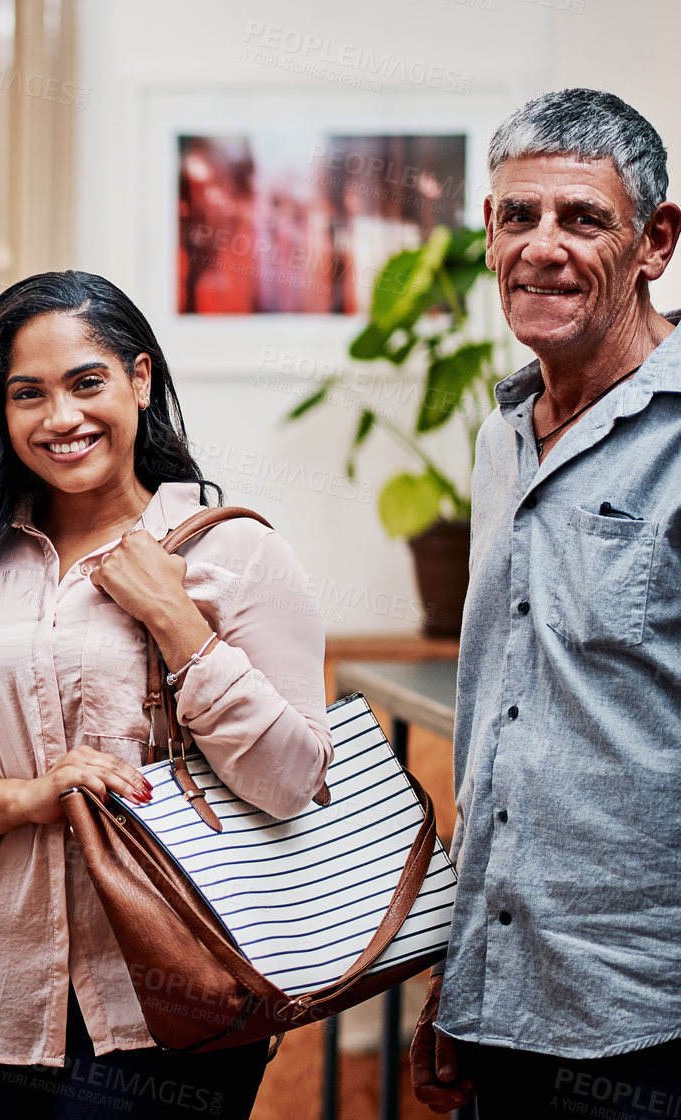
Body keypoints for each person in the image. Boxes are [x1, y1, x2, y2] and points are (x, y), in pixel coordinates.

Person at [0, 271, 332, 1119]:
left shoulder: (238, 556)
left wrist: (175, 620)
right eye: (27, 394)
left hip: (176, 1007)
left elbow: (292, 779)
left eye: (87, 382)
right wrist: (25, 798)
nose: (61, 418)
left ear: (139, 382)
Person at [410, 89, 681, 1120]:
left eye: (582, 219)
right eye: (517, 216)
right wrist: (462, 952)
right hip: (502, 986)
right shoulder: (501, 436)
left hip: (645, 1013)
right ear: (485, 232)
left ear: (654, 242)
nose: (541, 248)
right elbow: (493, 727)